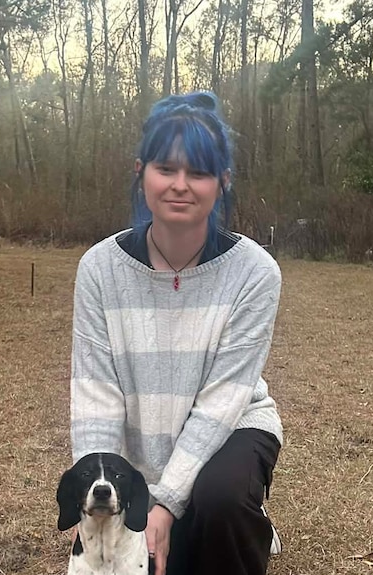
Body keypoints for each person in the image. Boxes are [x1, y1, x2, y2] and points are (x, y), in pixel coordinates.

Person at [69, 91, 284, 575]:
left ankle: (244, 515)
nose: (180, 186)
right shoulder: (99, 269)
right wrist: (104, 488)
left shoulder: (255, 272)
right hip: (140, 449)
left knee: (221, 502)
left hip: (231, 428)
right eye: (166, 168)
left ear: (222, 181)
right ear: (141, 171)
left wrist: (163, 503)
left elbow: (222, 401)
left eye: (200, 173)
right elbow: (95, 396)